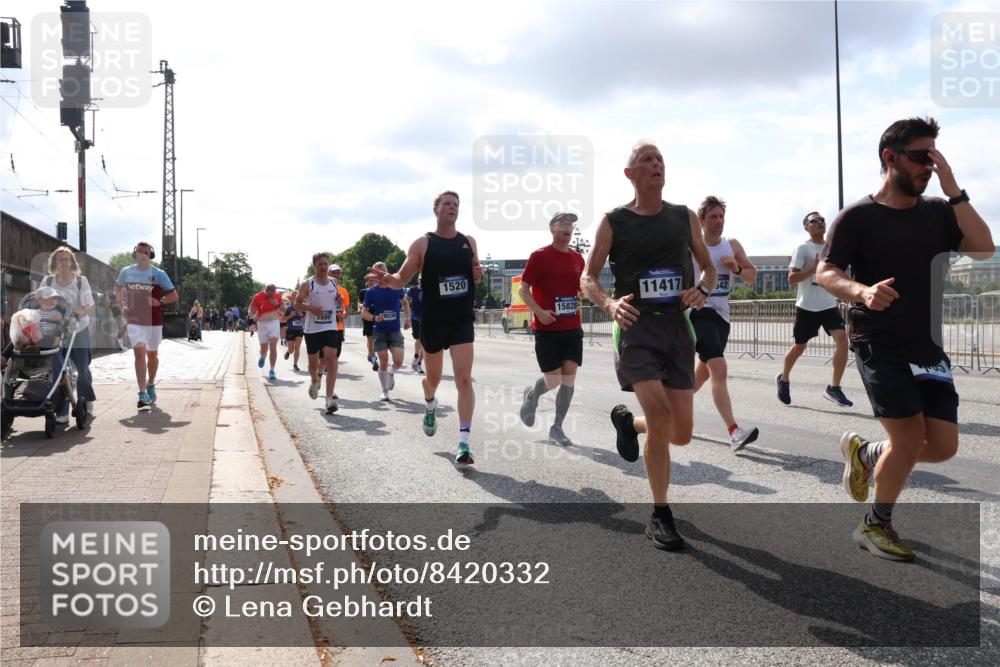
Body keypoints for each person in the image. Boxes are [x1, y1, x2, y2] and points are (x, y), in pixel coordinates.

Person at [818, 116, 994, 561]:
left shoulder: (939, 211)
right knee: (911, 438)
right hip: (879, 341)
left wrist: (954, 190)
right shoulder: (857, 217)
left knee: (943, 446)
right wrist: (862, 291)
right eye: (919, 157)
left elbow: (983, 248)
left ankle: (867, 453)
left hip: (926, 345)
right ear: (889, 158)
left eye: (933, 158)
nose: (927, 167)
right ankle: (875, 524)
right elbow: (826, 272)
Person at [581, 142, 715, 551]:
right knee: (660, 417)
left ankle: (629, 424)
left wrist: (702, 289)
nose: (656, 164)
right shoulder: (614, 221)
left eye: (660, 160)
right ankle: (660, 513)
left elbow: (708, 267)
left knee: (682, 433)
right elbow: (588, 277)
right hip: (636, 326)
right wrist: (609, 304)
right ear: (630, 174)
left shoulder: (683, 216)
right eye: (647, 160)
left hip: (677, 327)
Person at [369, 191, 484, 465]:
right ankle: (430, 402)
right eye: (447, 204)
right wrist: (388, 280)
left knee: (464, 379)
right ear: (436, 210)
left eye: (456, 204)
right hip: (433, 321)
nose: (452, 207)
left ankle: (464, 443)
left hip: (461, 319)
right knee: (433, 379)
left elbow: (476, 274)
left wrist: (477, 274)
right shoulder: (423, 244)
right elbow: (402, 278)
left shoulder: (469, 242)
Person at [690, 197, 759, 451]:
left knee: (701, 374)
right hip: (699, 311)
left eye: (721, 216)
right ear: (701, 221)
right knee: (718, 368)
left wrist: (737, 268)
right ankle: (733, 431)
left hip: (722, 316)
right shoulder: (692, 246)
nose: (718, 221)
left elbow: (752, 276)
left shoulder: (731, 245)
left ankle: (669, 407)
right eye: (713, 217)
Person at [518, 212, 586, 446]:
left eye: (571, 224)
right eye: (563, 223)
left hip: (572, 327)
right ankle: (533, 394)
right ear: (552, 229)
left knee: (569, 377)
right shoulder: (539, 256)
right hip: (547, 329)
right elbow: (523, 289)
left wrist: (583, 292)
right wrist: (539, 312)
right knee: (554, 379)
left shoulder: (578, 259)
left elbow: (579, 288)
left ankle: (557, 428)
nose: (568, 227)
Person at [776, 211, 853, 408]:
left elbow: (837, 275)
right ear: (806, 228)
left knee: (843, 341)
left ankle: (834, 388)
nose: (819, 222)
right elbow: (792, 279)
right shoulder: (803, 248)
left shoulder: (831, 248)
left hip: (828, 305)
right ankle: (784, 379)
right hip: (807, 307)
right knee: (799, 347)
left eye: (822, 220)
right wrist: (815, 268)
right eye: (814, 221)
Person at [114, 242, 177, 411]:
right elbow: (118, 288)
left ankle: (151, 384)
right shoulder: (126, 272)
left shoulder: (159, 274)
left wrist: (160, 301)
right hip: (134, 319)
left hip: (154, 320)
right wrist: (121, 306)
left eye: (146, 252)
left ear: (151, 255)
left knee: (152, 355)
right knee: (139, 354)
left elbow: (173, 295)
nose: (143, 255)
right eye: (140, 252)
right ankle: (142, 393)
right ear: (135, 254)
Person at [43, 246, 97, 422]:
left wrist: (80, 312)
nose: (63, 262)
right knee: (59, 370)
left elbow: (89, 304)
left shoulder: (81, 281)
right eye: (59, 259)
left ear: (71, 262)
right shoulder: (48, 282)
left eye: (66, 259)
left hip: (78, 329)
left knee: (82, 368)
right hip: (56, 331)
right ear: (54, 262)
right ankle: (62, 410)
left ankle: (85, 398)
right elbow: (39, 301)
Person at [294, 253, 343, 414]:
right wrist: (311, 309)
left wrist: (339, 299)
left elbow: (336, 297)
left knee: (332, 359)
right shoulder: (308, 284)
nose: (323, 267)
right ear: (314, 266)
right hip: (312, 329)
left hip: (330, 326)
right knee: (313, 364)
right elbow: (297, 304)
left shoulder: (334, 282)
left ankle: (329, 399)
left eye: (325, 264)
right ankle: (314, 381)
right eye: (320, 264)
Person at [362, 262, 411, 401]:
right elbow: (364, 312)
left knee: (399, 362)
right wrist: (374, 318)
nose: (381, 275)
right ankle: (384, 390)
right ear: (374, 275)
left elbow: (405, 303)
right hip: (380, 331)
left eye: (383, 271)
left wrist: (408, 318)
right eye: (377, 272)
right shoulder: (371, 292)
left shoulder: (396, 288)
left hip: (395, 330)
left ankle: (391, 372)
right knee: (383, 360)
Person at [248, 284, 284, 381]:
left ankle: (272, 370)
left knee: (273, 346)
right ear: (265, 291)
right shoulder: (258, 296)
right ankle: (263, 355)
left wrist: (277, 304)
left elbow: (283, 308)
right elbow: (251, 310)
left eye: (274, 293)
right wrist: (252, 322)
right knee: (264, 349)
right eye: (270, 293)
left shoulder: (277, 296)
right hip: (262, 323)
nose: (272, 295)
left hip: (274, 322)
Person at [359, 276, 379, 371]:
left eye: (373, 281)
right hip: (367, 317)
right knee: (370, 338)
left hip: (378, 316)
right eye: (370, 281)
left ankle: (370, 353)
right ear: (367, 282)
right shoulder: (363, 292)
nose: (372, 282)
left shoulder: (379, 291)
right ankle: (374, 360)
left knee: (376, 339)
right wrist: (361, 308)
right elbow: (359, 303)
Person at [331, 265, 350, 360]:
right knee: (324, 354)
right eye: (333, 272)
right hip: (324, 326)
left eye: (338, 272)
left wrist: (344, 315)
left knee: (337, 353)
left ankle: (329, 366)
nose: (335, 274)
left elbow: (347, 309)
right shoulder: (320, 289)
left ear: (341, 275)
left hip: (338, 326)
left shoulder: (344, 291)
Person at [283, 296, 306, 371]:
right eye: (294, 297)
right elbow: (283, 319)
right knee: (291, 350)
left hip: (299, 330)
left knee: (297, 348)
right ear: (292, 299)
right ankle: (288, 352)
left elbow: (306, 318)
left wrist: (301, 314)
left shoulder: (302, 307)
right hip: (290, 330)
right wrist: (291, 315)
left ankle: (295, 364)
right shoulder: (289, 308)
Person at [407, 277, 425, 373]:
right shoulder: (413, 290)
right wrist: (408, 311)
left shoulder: (430, 289)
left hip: (426, 319)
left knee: (424, 342)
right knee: (419, 339)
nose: (422, 281)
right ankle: (416, 355)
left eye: (424, 279)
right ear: (418, 280)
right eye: (420, 279)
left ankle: (419, 363)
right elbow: (405, 299)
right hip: (415, 318)